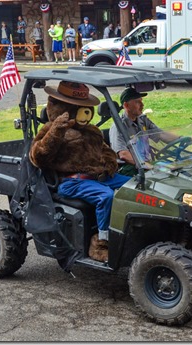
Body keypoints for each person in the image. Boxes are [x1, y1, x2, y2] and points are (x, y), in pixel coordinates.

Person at [29, 81, 130, 262]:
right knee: (105, 196)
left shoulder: (91, 131)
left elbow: (104, 149)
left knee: (135, 185)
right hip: (72, 181)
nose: (85, 112)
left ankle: (130, 230)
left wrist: (110, 161)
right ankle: (100, 243)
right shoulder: (51, 130)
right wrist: (56, 132)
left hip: (99, 177)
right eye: (79, 107)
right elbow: (38, 157)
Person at [109, 88, 179, 176]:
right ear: (126, 105)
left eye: (141, 101)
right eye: (137, 102)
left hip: (146, 164)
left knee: (175, 172)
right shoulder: (118, 126)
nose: (142, 105)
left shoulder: (143, 120)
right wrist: (147, 166)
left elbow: (161, 134)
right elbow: (124, 154)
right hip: (130, 168)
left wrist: (181, 139)